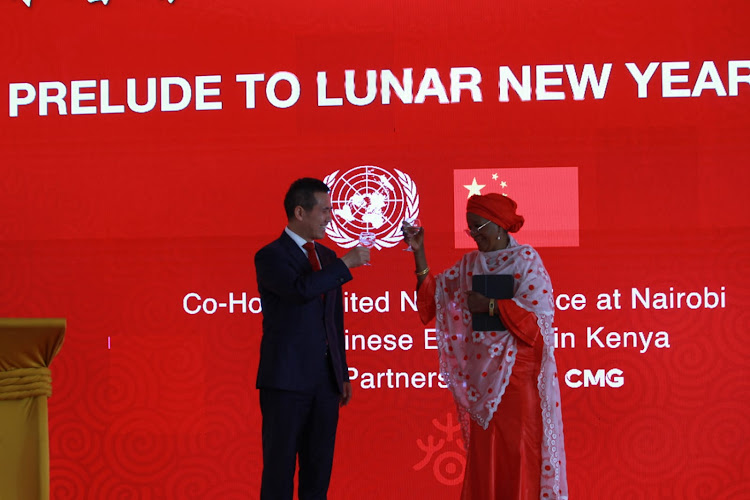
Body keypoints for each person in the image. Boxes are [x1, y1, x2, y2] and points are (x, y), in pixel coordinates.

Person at [403, 193, 568, 500]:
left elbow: (539, 322)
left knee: (518, 452)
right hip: (483, 382)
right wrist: (419, 253)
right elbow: (434, 301)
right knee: (485, 456)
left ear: (500, 226)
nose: (475, 236)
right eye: (470, 229)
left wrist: (491, 305)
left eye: (479, 227)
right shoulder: (469, 265)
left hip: (518, 380)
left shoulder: (526, 260)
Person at [255, 177, 370, 500]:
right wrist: (346, 263)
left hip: (325, 383)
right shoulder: (270, 256)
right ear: (300, 212)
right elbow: (299, 291)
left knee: (318, 469)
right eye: (325, 210)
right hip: (285, 381)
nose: (330, 217)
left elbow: (334, 321)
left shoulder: (328, 257)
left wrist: (341, 372)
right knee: (279, 470)